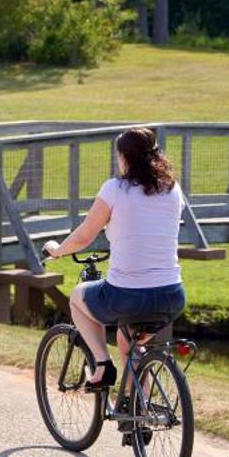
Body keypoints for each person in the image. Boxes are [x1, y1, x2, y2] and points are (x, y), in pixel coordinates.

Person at [43, 126, 187, 394]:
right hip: (172, 294)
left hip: (126, 295)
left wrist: (57, 250)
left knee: (77, 297)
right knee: (129, 341)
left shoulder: (115, 189)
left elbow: (85, 236)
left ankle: (102, 364)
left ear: (124, 158)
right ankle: (139, 415)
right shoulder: (173, 189)